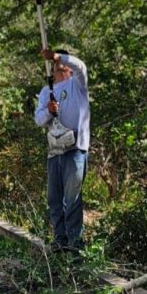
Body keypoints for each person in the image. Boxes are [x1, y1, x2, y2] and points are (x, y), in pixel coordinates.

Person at [35, 49, 90, 254]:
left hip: (75, 151)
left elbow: (81, 66)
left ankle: (75, 246)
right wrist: (49, 111)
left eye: (61, 63)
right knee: (54, 200)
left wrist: (57, 56)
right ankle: (60, 242)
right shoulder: (46, 91)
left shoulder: (78, 84)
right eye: (55, 64)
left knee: (72, 199)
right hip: (54, 151)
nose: (58, 66)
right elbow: (39, 120)